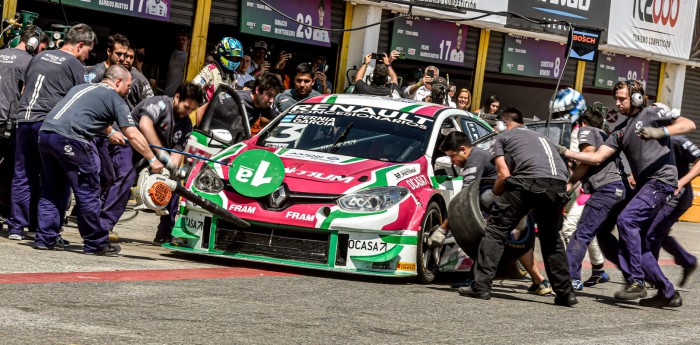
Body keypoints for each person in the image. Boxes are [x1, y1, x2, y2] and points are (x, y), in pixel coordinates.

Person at [556, 80, 696, 307]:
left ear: (638, 98)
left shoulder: (652, 113)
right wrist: (564, 151)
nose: (618, 103)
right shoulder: (620, 132)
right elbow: (597, 157)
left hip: (661, 182)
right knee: (637, 240)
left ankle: (636, 281)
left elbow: (687, 124)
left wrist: (660, 131)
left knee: (626, 220)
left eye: (622, 98)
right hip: (644, 186)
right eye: (617, 98)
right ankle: (667, 292)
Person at [36, 64, 164, 255]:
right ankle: (96, 243)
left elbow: (85, 114)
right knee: (88, 191)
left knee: (51, 190)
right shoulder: (115, 98)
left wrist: (110, 131)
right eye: (128, 86)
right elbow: (133, 134)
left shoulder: (81, 88)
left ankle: (45, 239)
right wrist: (153, 159)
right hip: (71, 139)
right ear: (118, 81)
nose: (128, 91)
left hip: (46, 135)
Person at [460, 107, 577, 307]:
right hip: (558, 186)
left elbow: (503, 176)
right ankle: (566, 294)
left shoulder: (502, 138)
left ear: (502, 125)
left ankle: (481, 286)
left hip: (527, 183)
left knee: (496, 230)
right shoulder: (543, 138)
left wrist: (492, 195)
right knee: (551, 240)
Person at [430, 131, 554, 296]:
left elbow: (463, 201)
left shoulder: (474, 160)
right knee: (516, 242)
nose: (452, 161)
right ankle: (539, 281)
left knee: (499, 239)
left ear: (463, 149)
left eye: (452, 156)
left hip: (511, 201)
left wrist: (442, 229)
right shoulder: (480, 155)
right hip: (518, 198)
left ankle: (479, 280)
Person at [7, 24, 96, 241]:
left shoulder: (40, 56)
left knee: (22, 174)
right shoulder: (76, 66)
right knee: (55, 177)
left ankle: (16, 228)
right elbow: (80, 99)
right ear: (81, 45)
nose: (87, 56)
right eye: (88, 51)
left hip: (24, 119)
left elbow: (24, 86)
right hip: (47, 124)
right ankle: (48, 230)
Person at [112, 82, 202, 244]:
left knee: (174, 184)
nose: (188, 112)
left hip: (157, 157)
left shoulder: (187, 123)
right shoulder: (159, 103)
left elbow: (177, 151)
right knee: (125, 176)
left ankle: (165, 233)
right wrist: (159, 154)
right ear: (177, 97)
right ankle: (105, 226)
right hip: (130, 144)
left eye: (192, 109)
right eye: (186, 107)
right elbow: (144, 125)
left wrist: (172, 169)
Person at [563, 109, 626, 291]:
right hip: (618, 189)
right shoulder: (604, 134)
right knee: (603, 236)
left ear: (583, 123)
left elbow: (589, 157)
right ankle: (635, 274)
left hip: (605, 189)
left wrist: (569, 180)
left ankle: (570, 278)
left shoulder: (587, 130)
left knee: (581, 233)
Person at [0, 26, 49, 224]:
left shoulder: (1, 54)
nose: (42, 53)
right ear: (34, 44)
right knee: (16, 173)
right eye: (43, 49)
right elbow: (25, 94)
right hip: (10, 124)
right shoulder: (31, 62)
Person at [647, 103, 699, 288]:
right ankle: (687, 261)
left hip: (677, 197)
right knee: (658, 233)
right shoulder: (655, 141)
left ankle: (653, 278)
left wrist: (682, 182)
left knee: (651, 234)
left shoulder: (677, 140)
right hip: (662, 195)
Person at [192, 37, 244, 101]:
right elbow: (193, 89)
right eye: (231, 57)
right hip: (207, 108)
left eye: (236, 58)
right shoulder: (210, 69)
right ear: (222, 53)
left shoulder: (232, 75)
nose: (234, 60)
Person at [164, 31, 189, 97]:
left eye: (183, 39)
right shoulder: (177, 55)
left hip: (171, 95)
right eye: (179, 39)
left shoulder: (177, 54)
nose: (181, 42)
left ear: (188, 41)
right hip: (172, 96)